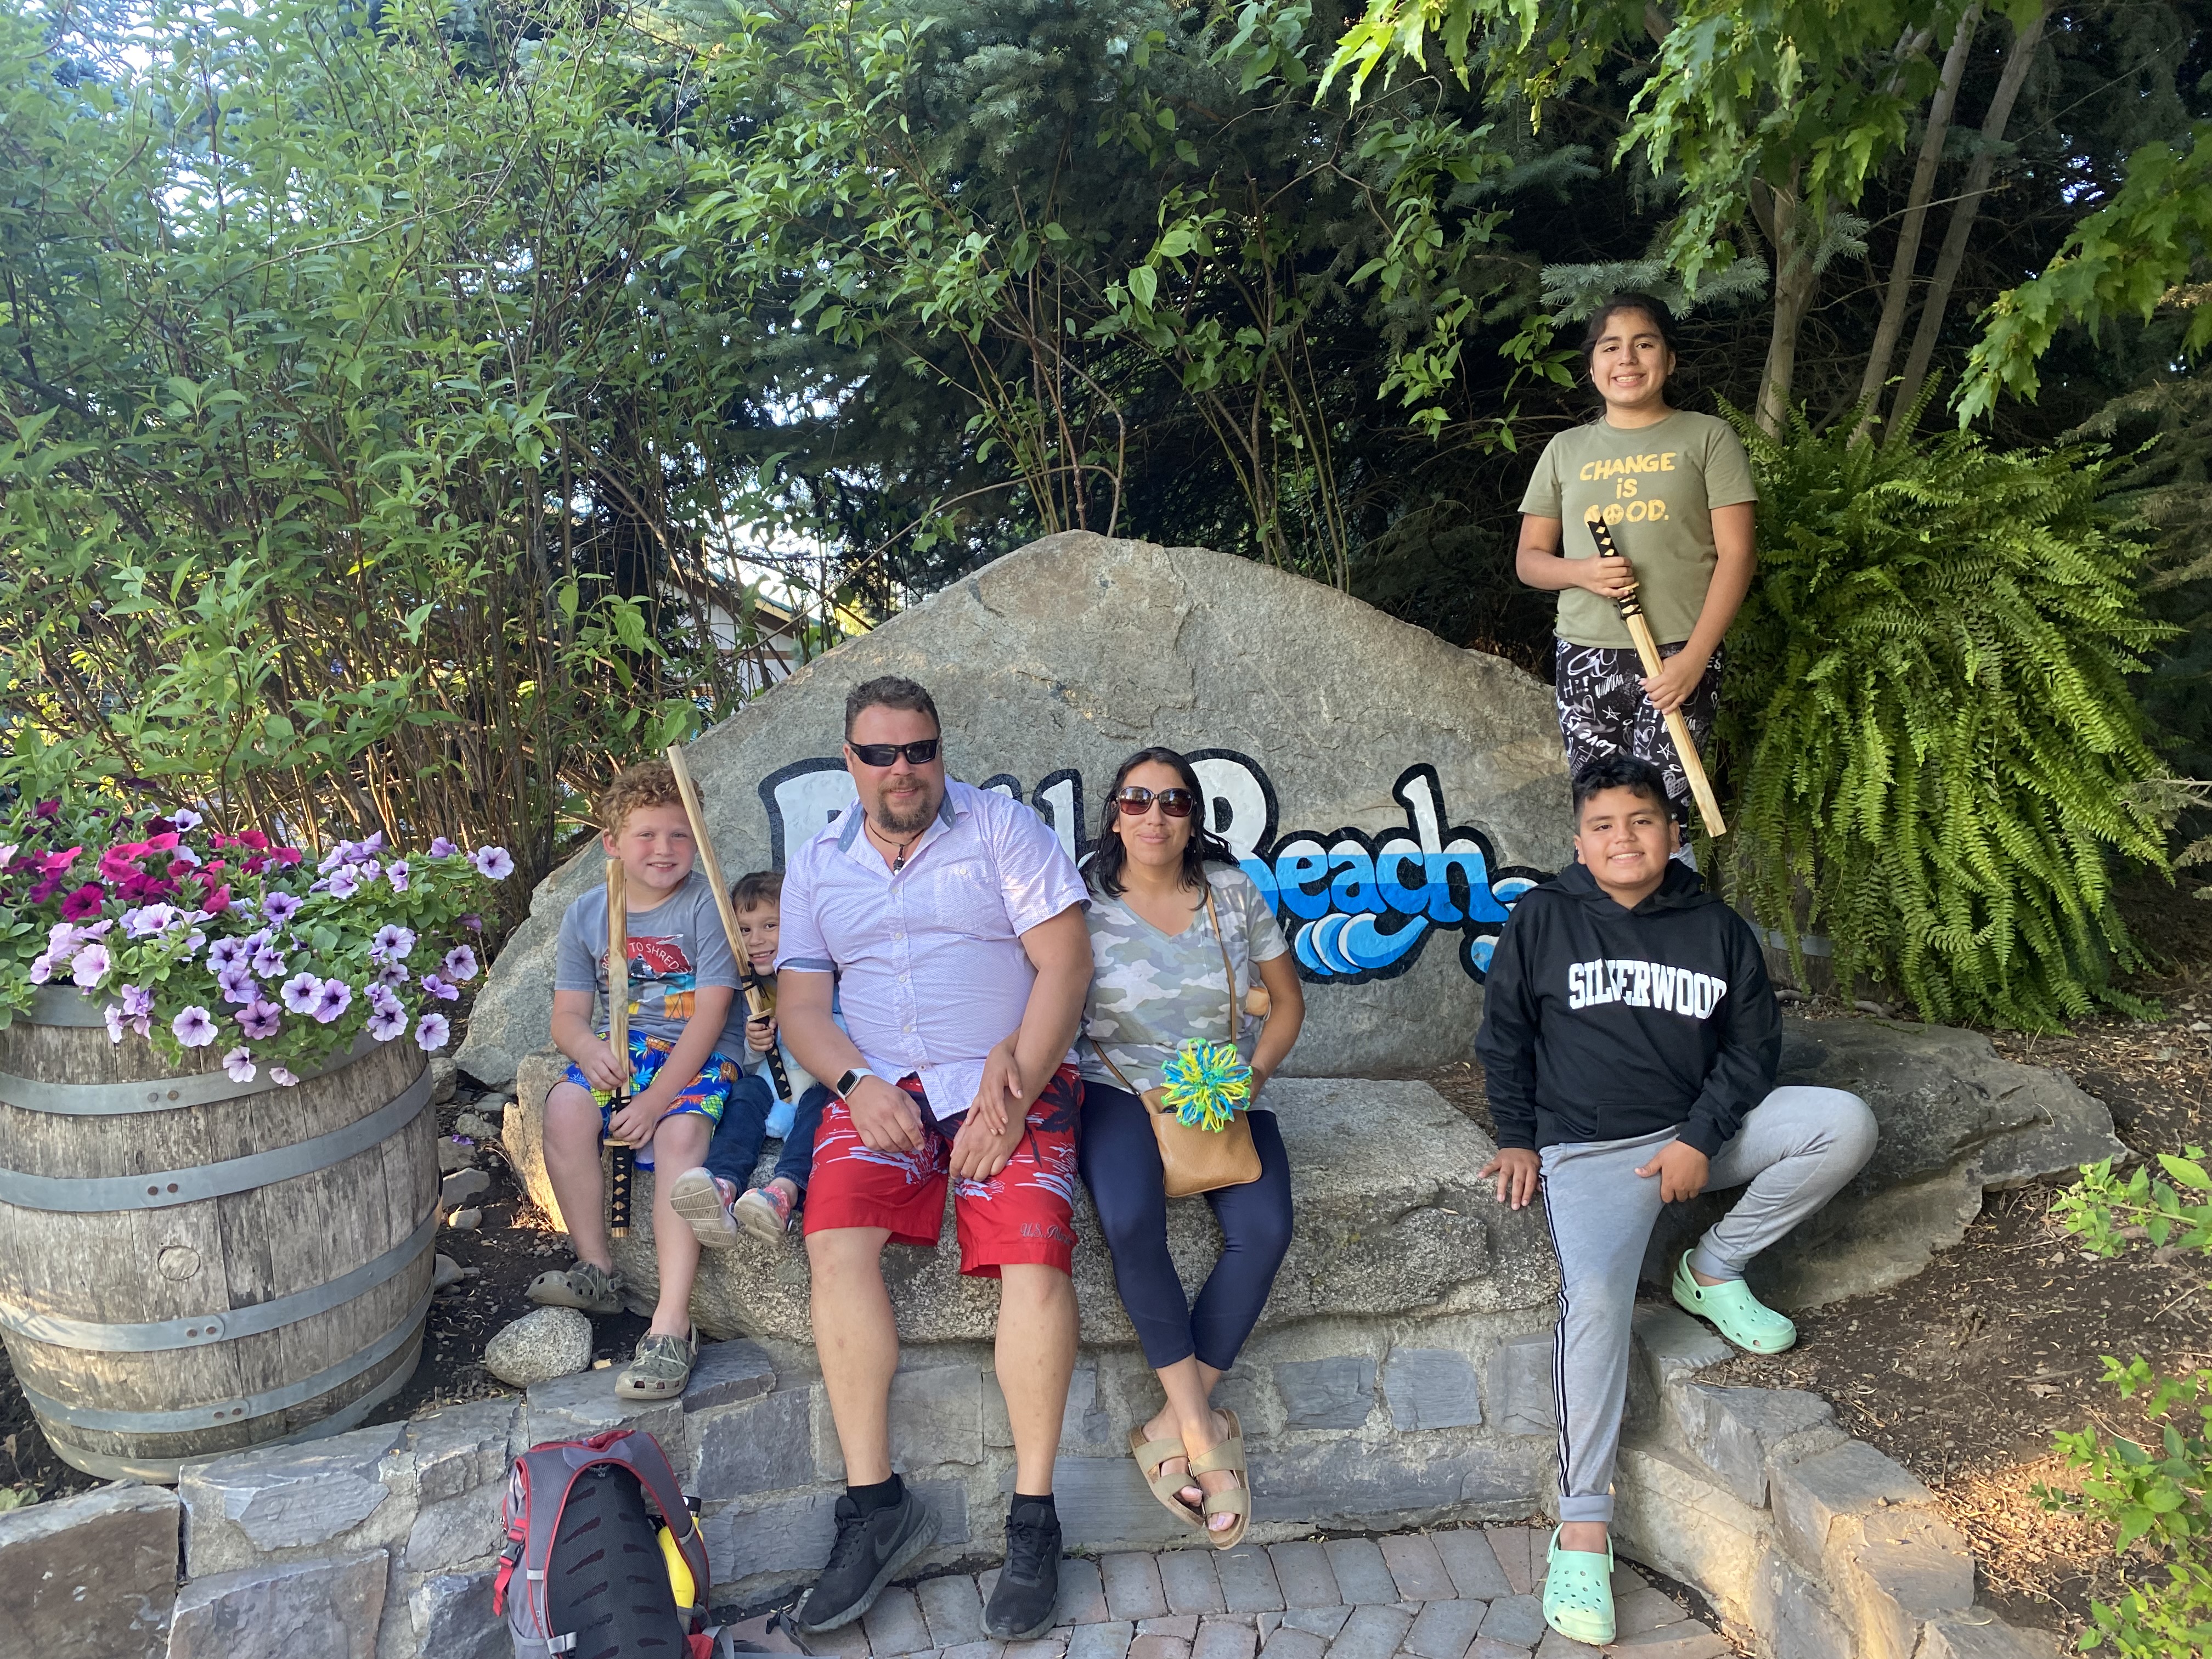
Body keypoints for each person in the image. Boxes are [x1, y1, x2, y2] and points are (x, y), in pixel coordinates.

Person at [1474, 754, 1876, 1646]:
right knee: (1598, 1304)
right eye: (1605, 824)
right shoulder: (1541, 918)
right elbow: (1504, 1036)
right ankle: (1582, 1526)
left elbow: (1751, 1045)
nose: (1625, 837)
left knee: (1840, 1121)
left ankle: (1713, 1265)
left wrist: (1698, 1134)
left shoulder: (1713, 924)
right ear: (1579, 840)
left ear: (1672, 831)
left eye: (1643, 820)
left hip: (1700, 1131)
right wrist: (1514, 1135)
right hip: (1588, 1152)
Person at [773, 676, 1093, 1641]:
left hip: (1007, 1077)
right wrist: (853, 1083)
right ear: (851, 762)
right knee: (833, 1237)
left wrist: (1022, 1088)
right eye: (881, 753)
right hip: (885, 1089)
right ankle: (875, 1505)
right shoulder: (818, 864)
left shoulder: (1002, 829)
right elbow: (799, 1007)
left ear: (938, 752)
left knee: (1034, 1245)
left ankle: (1033, 1518)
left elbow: (1066, 962)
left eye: (920, 749)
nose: (903, 767)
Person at [1077, 748, 1305, 1548]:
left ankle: (1170, 1425)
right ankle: (1206, 1439)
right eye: (1137, 801)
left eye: (1173, 803)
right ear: (1114, 813)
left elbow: (1285, 1003)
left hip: (1217, 1090)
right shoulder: (1080, 896)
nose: (1154, 816)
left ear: (1193, 818)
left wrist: (1253, 1075)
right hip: (1114, 1091)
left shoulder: (1234, 894)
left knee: (1267, 1226)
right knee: (1132, 1222)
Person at [533, 761, 752, 1400]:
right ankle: (597, 1267)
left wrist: (657, 1102)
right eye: (647, 836)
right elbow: (568, 1016)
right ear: (611, 843)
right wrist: (588, 1048)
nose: (665, 850)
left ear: (701, 840)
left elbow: (713, 1013)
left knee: (682, 1140)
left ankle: (671, 1323)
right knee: (568, 1109)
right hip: (626, 1047)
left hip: (699, 1052)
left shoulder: (707, 905)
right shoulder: (587, 914)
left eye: (680, 836)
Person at [1515, 293, 1757, 849]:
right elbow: (1530, 560)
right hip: (1584, 656)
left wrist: (1696, 660)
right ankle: (1604, 930)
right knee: (1603, 817)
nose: (1627, 358)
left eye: (1644, 344)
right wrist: (1582, 572)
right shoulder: (1565, 449)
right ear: (1593, 365)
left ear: (1669, 360)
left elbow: (1739, 556)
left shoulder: (1707, 437)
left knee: (1662, 818)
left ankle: (1672, 930)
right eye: (1611, 346)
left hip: (1677, 653)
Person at [669, 870, 834, 1246]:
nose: (756, 940)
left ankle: (782, 1191)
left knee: (820, 1110)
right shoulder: (750, 987)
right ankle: (722, 1184)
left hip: (816, 1081)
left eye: (770, 926)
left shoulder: (824, 974)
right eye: (743, 930)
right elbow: (747, 1052)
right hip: (774, 1081)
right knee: (743, 1094)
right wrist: (756, 1041)